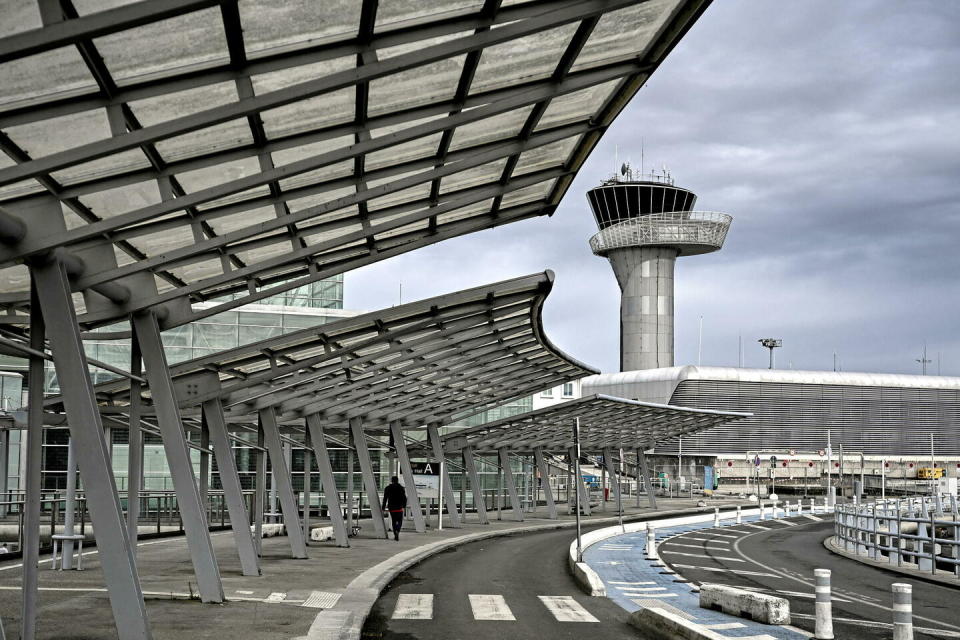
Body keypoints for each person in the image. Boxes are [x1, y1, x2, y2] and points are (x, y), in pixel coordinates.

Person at [382, 476, 407, 541]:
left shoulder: (387, 488)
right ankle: (397, 531)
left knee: (393, 520)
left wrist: (383, 507)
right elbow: (404, 498)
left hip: (392, 508)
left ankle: (395, 532)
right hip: (399, 507)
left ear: (391, 480)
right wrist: (404, 505)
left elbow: (385, 499)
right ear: (397, 480)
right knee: (400, 521)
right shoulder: (401, 488)